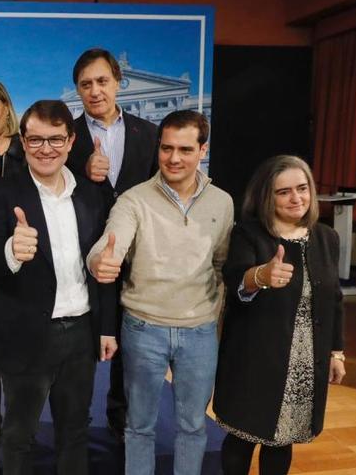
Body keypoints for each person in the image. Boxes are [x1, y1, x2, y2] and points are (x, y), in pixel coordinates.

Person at [0, 100, 116, 475]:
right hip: (25, 334)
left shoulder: (90, 193)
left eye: (55, 139)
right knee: (19, 434)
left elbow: (102, 264)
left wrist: (105, 327)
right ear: (23, 139)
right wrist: (12, 251)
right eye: (35, 140)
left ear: (70, 141)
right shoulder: (1, 193)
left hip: (81, 334)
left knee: (75, 431)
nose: (45, 149)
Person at [87, 110, 233, 475]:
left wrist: (214, 314)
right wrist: (99, 261)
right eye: (166, 148)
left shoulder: (222, 202)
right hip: (143, 330)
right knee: (138, 427)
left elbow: (221, 264)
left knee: (193, 426)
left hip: (199, 332)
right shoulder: (134, 200)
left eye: (185, 149)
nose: (173, 158)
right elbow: (109, 244)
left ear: (203, 150)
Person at [213, 155, 346, 475]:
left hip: (304, 360)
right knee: (242, 437)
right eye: (283, 191)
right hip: (255, 358)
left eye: (302, 188)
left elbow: (335, 300)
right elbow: (235, 281)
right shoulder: (249, 234)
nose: (296, 198)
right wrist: (260, 276)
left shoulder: (327, 237)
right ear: (266, 196)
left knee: (283, 439)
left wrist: (336, 351)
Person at [66, 47, 159, 438]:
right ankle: (74, 421)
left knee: (131, 342)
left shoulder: (149, 133)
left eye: (102, 81)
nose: (95, 91)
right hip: (82, 255)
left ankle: (120, 419)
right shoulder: (68, 136)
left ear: (118, 82)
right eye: (85, 84)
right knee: (84, 340)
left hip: (136, 256)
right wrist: (82, 169)